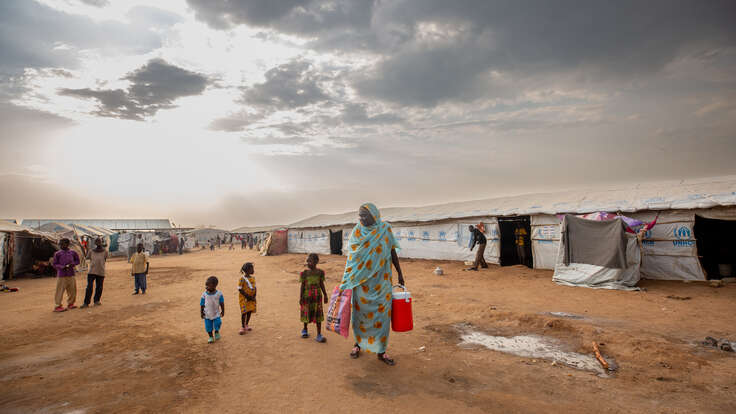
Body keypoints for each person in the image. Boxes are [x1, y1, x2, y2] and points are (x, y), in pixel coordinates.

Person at [340, 203, 405, 366]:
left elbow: (392, 251)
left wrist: (400, 273)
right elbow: (352, 258)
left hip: (381, 282)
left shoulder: (385, 229)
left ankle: (381, 351)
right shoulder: (357, 231)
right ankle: (358, 344)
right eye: (359, 215)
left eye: (365, 216)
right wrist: (347, 279)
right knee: (360, 316)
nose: (361, 219)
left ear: (374, 216)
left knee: (382, 317)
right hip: (361, 283)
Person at [300, 253, 328, 343]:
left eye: (310, 261)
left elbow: (321, 284)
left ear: (316, 262)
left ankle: (319, 334)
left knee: (318, 314)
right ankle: (305, 329)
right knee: (306, 312)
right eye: (307, 261)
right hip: (306, 297)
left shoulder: (320, 272)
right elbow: (302, 286)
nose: (308, 263)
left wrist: (325, 295)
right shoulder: (304, 273)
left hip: (317, 298)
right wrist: (300, 297)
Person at [52, 238, 80, 312]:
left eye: (62, 244)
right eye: (60, 244)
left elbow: (77, 260)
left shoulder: (73, 252)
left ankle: (71, 303)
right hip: (61, 275)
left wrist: (72, 264)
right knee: (60, 291)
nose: (60, 245)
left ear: (67, 244)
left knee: (72, 290)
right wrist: (62, 267)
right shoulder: (57, 254)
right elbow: (54, 264)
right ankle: (58, 306)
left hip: (71, 274)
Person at [82, 238, 107, 308]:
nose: (98, 243)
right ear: (95, 243)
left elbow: (104, 260)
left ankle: (96, 300)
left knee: (99, 287)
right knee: (89, 287)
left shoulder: (105, 251)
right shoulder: (91, 251)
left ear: (102, 242)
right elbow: (87, 258)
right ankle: (86, 303)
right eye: (97, 241)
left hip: (101, 271)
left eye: (100, 241)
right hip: (92, 271)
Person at [200, 276, 224, 344]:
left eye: (208, 285)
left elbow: (222, 303)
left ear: (214, 285)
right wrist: (202, 313)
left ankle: (216, 331)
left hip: (216, 313)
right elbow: (202, 304)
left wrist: (223, 311)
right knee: (208, 326)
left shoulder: (219, 294)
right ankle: (210, 337)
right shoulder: (204, 294)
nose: (206, 287)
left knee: (218, 323)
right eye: (206, 285)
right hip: (207, 314)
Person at [238, 262, 257, 334]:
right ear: (247, 270)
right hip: (244, 299)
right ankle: (242, 326)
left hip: (251, 298)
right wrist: (247, 296)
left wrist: (254, 296)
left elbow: (255, 287)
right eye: (252, 269)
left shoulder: (253, 278)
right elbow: (240, 289)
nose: (253, 270)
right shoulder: (242, 279)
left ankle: (246, 325)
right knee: (244, 312)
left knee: (249, 311)